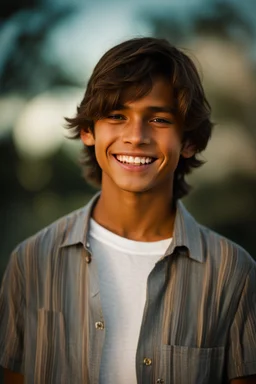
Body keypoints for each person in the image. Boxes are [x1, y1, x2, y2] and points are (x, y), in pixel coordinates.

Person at [0, 37, 255, 384]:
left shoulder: (234, 274)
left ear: (189, 141)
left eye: (160, 119)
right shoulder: (30, 263)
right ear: (89, 130)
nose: (136, 136)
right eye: (117, 115)